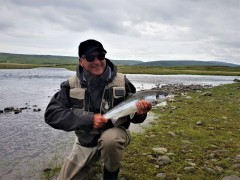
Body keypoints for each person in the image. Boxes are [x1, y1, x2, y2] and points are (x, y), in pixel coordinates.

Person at [44, 39, 152, 180]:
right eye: (90, 57)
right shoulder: (70, 85)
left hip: (115, 135)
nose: (97, 61)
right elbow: (52, 114)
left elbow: (135, 117)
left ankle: (111, 174)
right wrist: (89, 119)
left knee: (110, 140)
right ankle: (91, 160)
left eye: (101, 56)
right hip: (85, 141)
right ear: (81, 61)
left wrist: (140, 114)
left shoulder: (122, 82)